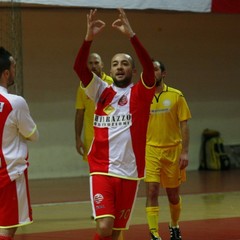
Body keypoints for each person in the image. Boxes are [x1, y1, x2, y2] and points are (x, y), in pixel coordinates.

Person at [73, 8, 155, 240]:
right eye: (115, 64)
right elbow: (79, 68)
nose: (119, 67)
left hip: (129, 172)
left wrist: (132, 35)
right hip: (101, 169)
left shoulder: (140, 93)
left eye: (125, 64)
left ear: (133, 70)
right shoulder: (101, 91)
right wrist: (88, 38)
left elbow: (150, 68)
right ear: (109, 71)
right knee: (105, 227)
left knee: (117, 232)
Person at [145, 60, 191, 240]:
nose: (152, 72)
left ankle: (174, 225)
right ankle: (154, 233)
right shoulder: (141, 96)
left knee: (173, 195)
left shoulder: (176, 95)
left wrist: (185, 151)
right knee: (152, 191)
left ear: (163, 73)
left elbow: (184, 125)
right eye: (149, 70)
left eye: (155, 69)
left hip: (173, 150)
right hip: (151, 150)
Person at [0, 47, 39, 240]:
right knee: (7, 228)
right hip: (9, 176)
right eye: (14, 66)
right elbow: (33, 135)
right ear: (6, 73)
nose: (15, 70)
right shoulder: (15, 102)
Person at [75, 53, 113, 161]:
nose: (93, 66)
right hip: (91, 137)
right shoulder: (83, 87)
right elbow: (79, 113)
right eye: (90, 63)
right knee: (94, 171)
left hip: (110, 136)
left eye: (96, 63)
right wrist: (77, 138)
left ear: (102, 65)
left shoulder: (112, 83)